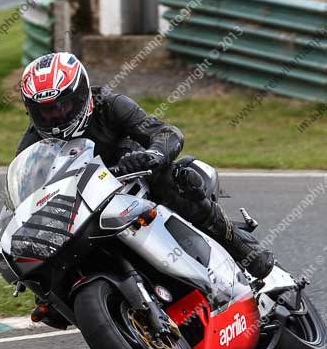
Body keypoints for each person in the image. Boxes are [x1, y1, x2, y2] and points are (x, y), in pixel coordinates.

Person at [17, 52, 274, 325]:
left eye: (64, 105)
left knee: (179, 180)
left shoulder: (109, 105)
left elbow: (166, 133)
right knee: (50, 291)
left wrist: (152, 155)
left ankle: (240, 245)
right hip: (89, 209)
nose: (57, 116)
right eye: (46, 111)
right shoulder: (32, 145)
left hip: (140, 184)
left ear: (81, 95)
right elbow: (26, 194)